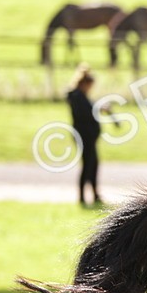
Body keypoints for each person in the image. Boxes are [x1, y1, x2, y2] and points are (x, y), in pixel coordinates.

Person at [66, 65, 102, 206]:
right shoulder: (76, 97)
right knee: (88, 165)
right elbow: (84, 114)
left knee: (93, 164)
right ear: (84, 84)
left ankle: (95, 194)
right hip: (84, 136)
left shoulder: (82, 97)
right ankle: (82, 196)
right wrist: (97, 109)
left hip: (89, 137)